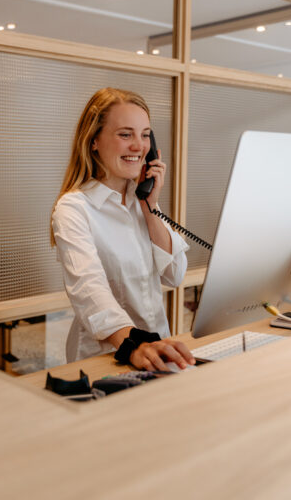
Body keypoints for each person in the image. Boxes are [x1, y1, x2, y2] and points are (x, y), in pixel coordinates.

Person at [50, 87, 195, 371]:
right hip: (107, 359)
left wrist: (151, 207)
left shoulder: (142, 202)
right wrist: (134, 344)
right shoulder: (74, 209)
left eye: (145, 135)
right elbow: (89, 290)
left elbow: (175, 274)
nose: (139, 146)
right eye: (125, 134)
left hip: (156, 352)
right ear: (94, 141)